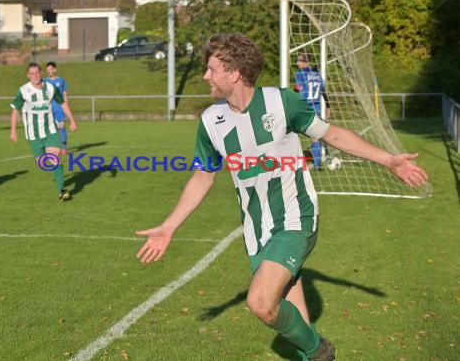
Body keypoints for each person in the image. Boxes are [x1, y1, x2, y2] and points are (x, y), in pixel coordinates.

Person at [135, 34, 428, 360]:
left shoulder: (282, 101)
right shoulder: (210, 122)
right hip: (257, 231)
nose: (206, 76)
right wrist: (169, 227)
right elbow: (203, 176)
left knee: (261, 303)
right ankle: (313, 352)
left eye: (212, 69)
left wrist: (388, 160)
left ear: (233, 73)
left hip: (295, 217)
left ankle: (322, 350)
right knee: (293, 323)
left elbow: (330, 134)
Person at [10, 62, 77, 201]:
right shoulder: (23, 90)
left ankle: (61, 190)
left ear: (41, 73)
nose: (35, 76)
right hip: (33, 132)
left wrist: (72, 120)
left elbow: (63, 103)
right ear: (28, 75)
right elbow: (15, 109)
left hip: (50, 129)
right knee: (42, 164)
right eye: (32, 73)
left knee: (55, 157)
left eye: (37, 73)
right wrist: (13, 130)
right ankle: (57, 177)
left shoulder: (51, 88)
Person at [294, 52, 330, 170]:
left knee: (290, 132)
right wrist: (328, 106)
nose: (297, 62)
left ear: (305, 62)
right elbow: (323, 91)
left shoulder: (300, 74)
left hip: (305, 108)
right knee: (315, 137)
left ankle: (293, 161)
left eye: (299, 60)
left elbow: (297, 90)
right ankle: (317, 164)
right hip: (317, 108)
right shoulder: (317, 74)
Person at [44, 61, 70, 153]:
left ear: (55, 69)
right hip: (48, 107)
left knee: (61, 126)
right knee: (48, 127)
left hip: (59, 107)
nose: (49, 71)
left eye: (50, 69)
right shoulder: (44, 81)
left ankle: (63, 147)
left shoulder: (61, 80)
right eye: (47, 69)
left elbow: (65, 94)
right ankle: (51, 146)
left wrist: (66, 107)